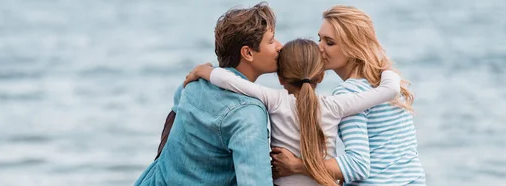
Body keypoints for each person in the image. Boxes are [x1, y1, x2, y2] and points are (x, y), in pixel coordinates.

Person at [184, 39, 401, 185]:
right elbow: (389, 89)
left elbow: (228, 80)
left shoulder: (275, 100)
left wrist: (205, 71)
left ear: (280, 78)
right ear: (321, 76)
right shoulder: (336, 105)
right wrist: (382, 63)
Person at [271, 5, 426, 185]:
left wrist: (297, 166)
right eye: (319, 39)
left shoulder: (349, 92)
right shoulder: (385, 81)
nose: (319, 47)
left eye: (329, 43)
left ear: (353, 47)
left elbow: (357, 166)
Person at [134, 2, 282, 185]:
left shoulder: (194, 84)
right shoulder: (248, 114)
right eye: (271, 40)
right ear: (248, 53)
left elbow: (174, 114)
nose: (279, 46)